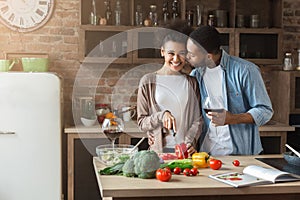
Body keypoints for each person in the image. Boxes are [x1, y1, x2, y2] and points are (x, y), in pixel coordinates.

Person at [186, 25, 273, 155]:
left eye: (192, 54)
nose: (187, 57)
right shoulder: (195, 76)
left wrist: (232, 118)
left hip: (241, 155)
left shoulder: (245, 70)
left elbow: (265, 111)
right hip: (205, 155)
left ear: (208, 56)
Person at [137, 21, 202, 156]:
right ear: (162, 52)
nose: (176, 59)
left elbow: (198, 120)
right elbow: (142, 122)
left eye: (182, 53)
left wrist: (190, 142)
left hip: (185, 154)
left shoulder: (192, 82)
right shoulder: (148, 81)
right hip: (158, 154)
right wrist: (161, 116)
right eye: (171, 53)